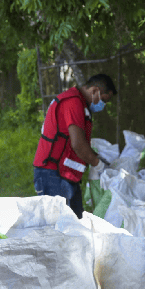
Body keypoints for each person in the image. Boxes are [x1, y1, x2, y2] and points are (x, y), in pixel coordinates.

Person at [33, 73, 116, 218]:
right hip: (52, 174)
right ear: (95, 90)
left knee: (75, 222)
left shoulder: (80, 104)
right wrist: (98, 164)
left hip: (64, 174)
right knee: (61, 227)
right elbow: (78, 144)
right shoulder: (73, 102)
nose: (103, 105)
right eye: (103, 99)